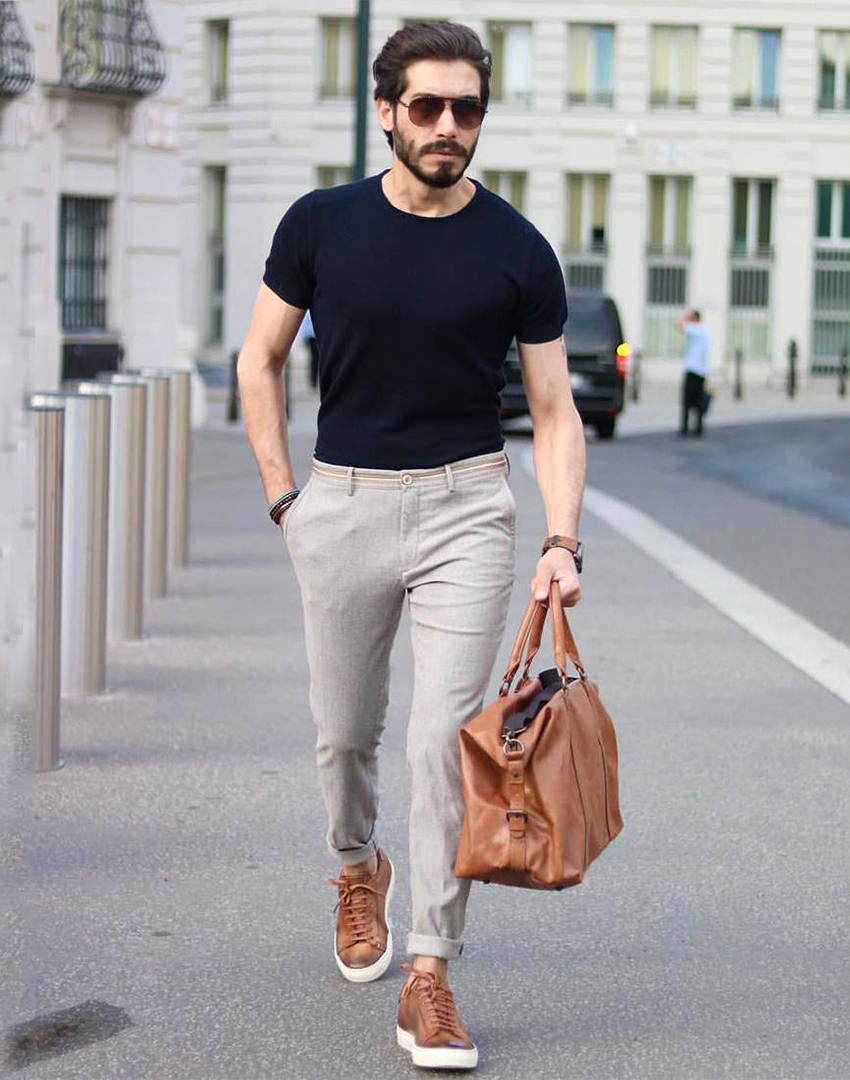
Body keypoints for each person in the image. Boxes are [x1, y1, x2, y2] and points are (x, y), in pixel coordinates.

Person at [237, 21, 586, 1071]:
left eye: (466, 109)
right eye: (426, 107)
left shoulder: (517, 247)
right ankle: (356, 870)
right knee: (343, 734)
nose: (446, 127)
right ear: (385, 109)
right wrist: (285, 502)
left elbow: (555, 407)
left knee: (445, 742)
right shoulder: (319, 224)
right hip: (338, 504)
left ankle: (430, 971)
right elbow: (257, 361)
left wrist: (560, 535)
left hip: (467, 509)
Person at [677, 308, 710, 437]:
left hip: (692, 369)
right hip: (701, 370)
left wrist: (685, 316)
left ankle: (685, 428)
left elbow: (679, 325)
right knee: (698, 401)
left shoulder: (695, 329)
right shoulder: (705, 330)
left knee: (687, 401)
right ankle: (698, 428)